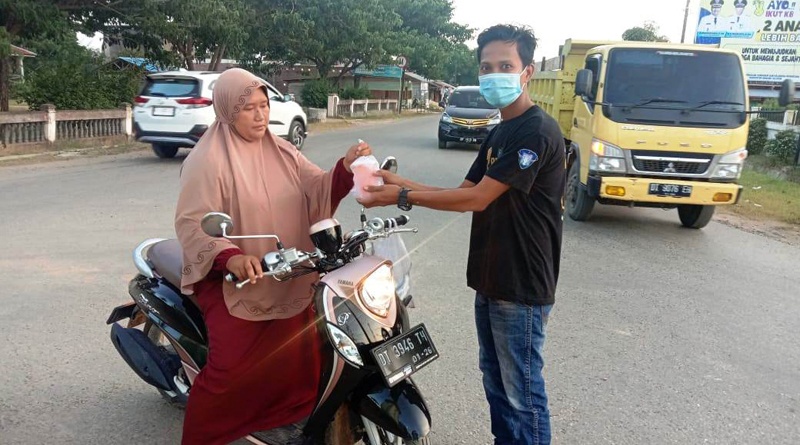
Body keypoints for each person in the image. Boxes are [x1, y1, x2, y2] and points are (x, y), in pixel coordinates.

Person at [358, 24, 566, 445]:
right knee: (496, 381)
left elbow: (478, 199)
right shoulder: (500, 131)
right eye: (486, 67)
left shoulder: (536, 130)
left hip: (522, 283)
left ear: (527, 72)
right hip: (492, 279)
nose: (494, 74)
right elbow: (464, 190)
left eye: (505, 66)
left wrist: (401, 196)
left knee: (522, 394)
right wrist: (401, 182)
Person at [174, 68, 370, 445]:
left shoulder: (281, 150)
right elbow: (193, 222)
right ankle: (202, 435)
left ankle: (285, 423)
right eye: (248, 108)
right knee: (230, 371)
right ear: (229, 111)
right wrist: (230, 256)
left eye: (264, 105)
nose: (260, 114)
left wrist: (345, 168)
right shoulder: (207, 160)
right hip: (233, 279)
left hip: (288, 269)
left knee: (304, 353)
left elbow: (317, 187)